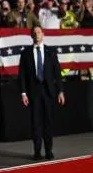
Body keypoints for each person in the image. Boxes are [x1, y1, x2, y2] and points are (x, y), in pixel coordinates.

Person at [18, 26, 66, 160]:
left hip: (48, 91)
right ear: (31, 36)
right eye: (34, 33)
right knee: (36, 122)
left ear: (43, 35)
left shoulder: (51, 51)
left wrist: (60, 91)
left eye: (39, 32)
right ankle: (37, 151)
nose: (37, 35)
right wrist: (23, 93)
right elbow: (21, 74)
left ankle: (49, 150)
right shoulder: (26, 53)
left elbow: (57, 72)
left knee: (48, 122)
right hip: (34, 92)